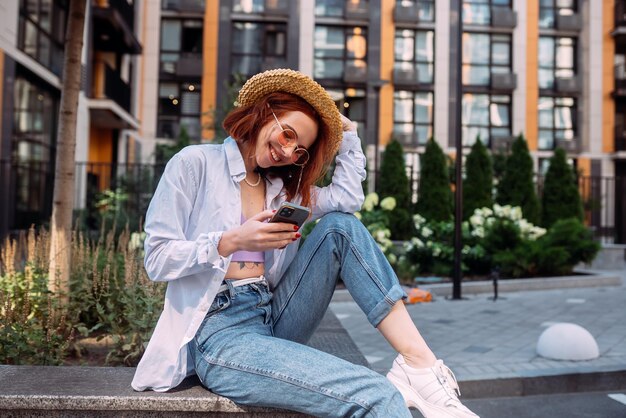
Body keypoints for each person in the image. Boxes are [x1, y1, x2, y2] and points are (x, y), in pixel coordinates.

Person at [132, 69, 478, 418]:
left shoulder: (283, 192)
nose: (286, 151)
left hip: (274, 314)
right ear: (266, 111)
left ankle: (419, 364)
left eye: (299, 152)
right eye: (287, 134)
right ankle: (414, 377)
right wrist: (233, 240)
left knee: (340, 227)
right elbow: (157, 259)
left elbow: (346, 198)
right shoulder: (195, 164)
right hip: (220, 333)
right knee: (379, 395)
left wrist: (350, 136)